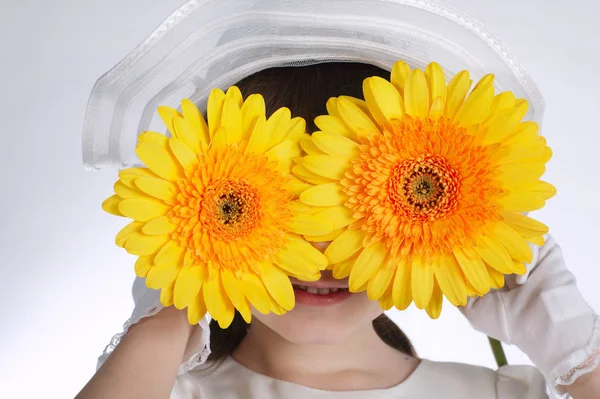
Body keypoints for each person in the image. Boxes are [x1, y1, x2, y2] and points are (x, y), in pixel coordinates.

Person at [76, 2, 600, 398]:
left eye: (361, 207)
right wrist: (167, 312)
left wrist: (571, 339)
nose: (323, 252)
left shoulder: (507, 395)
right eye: (284, 202)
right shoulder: (153, 385)